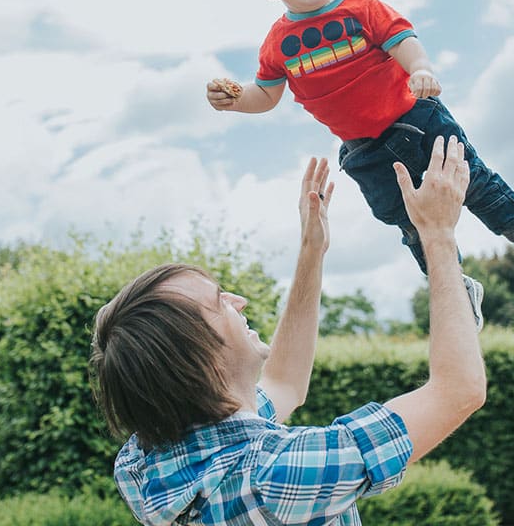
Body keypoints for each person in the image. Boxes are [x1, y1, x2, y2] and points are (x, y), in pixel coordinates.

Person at [206, 0, 514, 328]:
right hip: (364, 148)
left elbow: (403, 39)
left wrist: (420, 68)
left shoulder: (360, 5)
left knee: (470, 180)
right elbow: (265, 95)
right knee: (408, 220)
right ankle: (452, 284)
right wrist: (236, 101)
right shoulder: (277, 43)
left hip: (416, 116)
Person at [91, 137, 486, 525]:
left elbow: (284, 384)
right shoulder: (274, 478)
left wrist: (311, 252)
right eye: (218, 302)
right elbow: (456, 391)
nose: (238, 301)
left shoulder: (142, 465)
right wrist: (438, 234)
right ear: (198, 358)